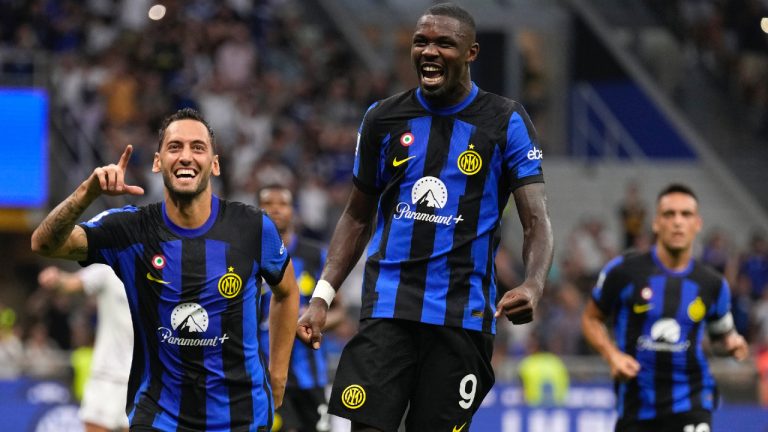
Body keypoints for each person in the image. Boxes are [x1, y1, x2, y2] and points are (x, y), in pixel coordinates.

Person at [296, 3, 554, 431]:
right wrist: (322, 296)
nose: (429, 51)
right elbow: (356, 216)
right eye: (421, 42)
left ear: (470, 53)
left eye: (443, 43)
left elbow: (536, 220)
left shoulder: (505, 120)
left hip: (461, 318)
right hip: (387, 312)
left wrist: (534, 282)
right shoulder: (383, 118)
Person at [31, 108, 300, 431]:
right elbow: (44, 244)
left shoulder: (254, 227)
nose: (186, 156)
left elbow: (287, 292)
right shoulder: (131, 229)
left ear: (214, 164)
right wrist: (87, 192)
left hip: (241, 416)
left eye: (197, 148)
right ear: (158, 162)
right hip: (158, 418)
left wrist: (278, 374)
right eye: (175, 147)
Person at [581, 183, 749, 432]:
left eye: (686, 214)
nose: (678, 222)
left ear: (698, 223)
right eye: (669, 214)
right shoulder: (623, 271)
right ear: (656, 223)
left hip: (692, 400)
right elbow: (591, 319)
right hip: (636, 405)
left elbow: (721, 335)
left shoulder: (712, 284)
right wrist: (611, 355)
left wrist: (732, 344)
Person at [256, 184, 347, 432]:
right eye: (268, 203)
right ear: (258, 211)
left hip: (311, 379)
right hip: (265, 376)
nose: (275, 209)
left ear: (293, 211)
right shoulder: (249, 258)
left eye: (282, 203)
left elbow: (339, 311)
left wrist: (312, 322)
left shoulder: (315, 255)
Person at [37, 264, 132, 432]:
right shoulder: (108, 269)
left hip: (143, 379)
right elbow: (71, 282)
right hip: (107, 375)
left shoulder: (164, 272)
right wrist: (57, 280)